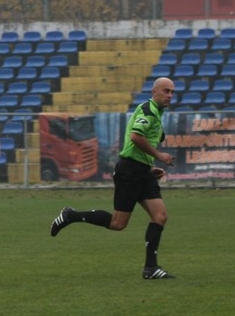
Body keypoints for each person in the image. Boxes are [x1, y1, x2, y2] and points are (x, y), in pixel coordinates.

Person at [49, 76, 177, 279]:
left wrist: (150, 167)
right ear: (154, 92)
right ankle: (70, 215)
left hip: (142, 171)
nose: (170, 95)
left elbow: (137, 142)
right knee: (118, 223)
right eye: (166, 91)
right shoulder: (148, 110)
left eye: (172, 92)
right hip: (130, 172)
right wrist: (159, 156)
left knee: (160, 216)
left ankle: (150, 268)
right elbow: (135, 137)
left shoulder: (157, 114)